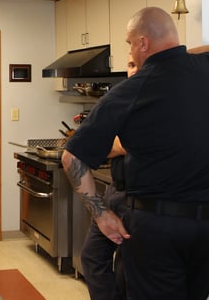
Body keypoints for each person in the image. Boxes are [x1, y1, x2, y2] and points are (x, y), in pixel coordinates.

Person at [62, 6, 209, 300]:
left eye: (130, 43)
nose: (130, 50)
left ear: (143, 43)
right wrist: (176, 55)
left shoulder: (131, 90)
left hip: (158, 229)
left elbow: (72, 157)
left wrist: (102, 215)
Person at [80, 56, 137, 300]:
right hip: (115, 191)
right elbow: (106, 146)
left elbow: (125, 144)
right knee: (92, 257)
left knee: (128, 267)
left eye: (138, 64)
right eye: (131, 64)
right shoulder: (121, 98)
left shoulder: (158, 99)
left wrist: (118, 142)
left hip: (139, 200)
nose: (133, 70)